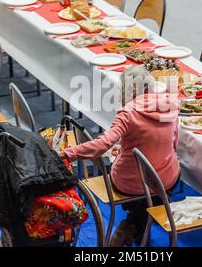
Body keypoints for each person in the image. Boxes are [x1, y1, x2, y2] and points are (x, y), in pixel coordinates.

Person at [58, 65, 180, 246]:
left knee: (141, 185)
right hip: (163, 179)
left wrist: (66, 154)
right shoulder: (171, 105)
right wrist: (127, 148)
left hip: (129, 181)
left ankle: (129, 225)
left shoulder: (128, 113)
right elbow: (172, 145)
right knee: (165, 182)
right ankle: (134, 225)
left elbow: (102, 144)